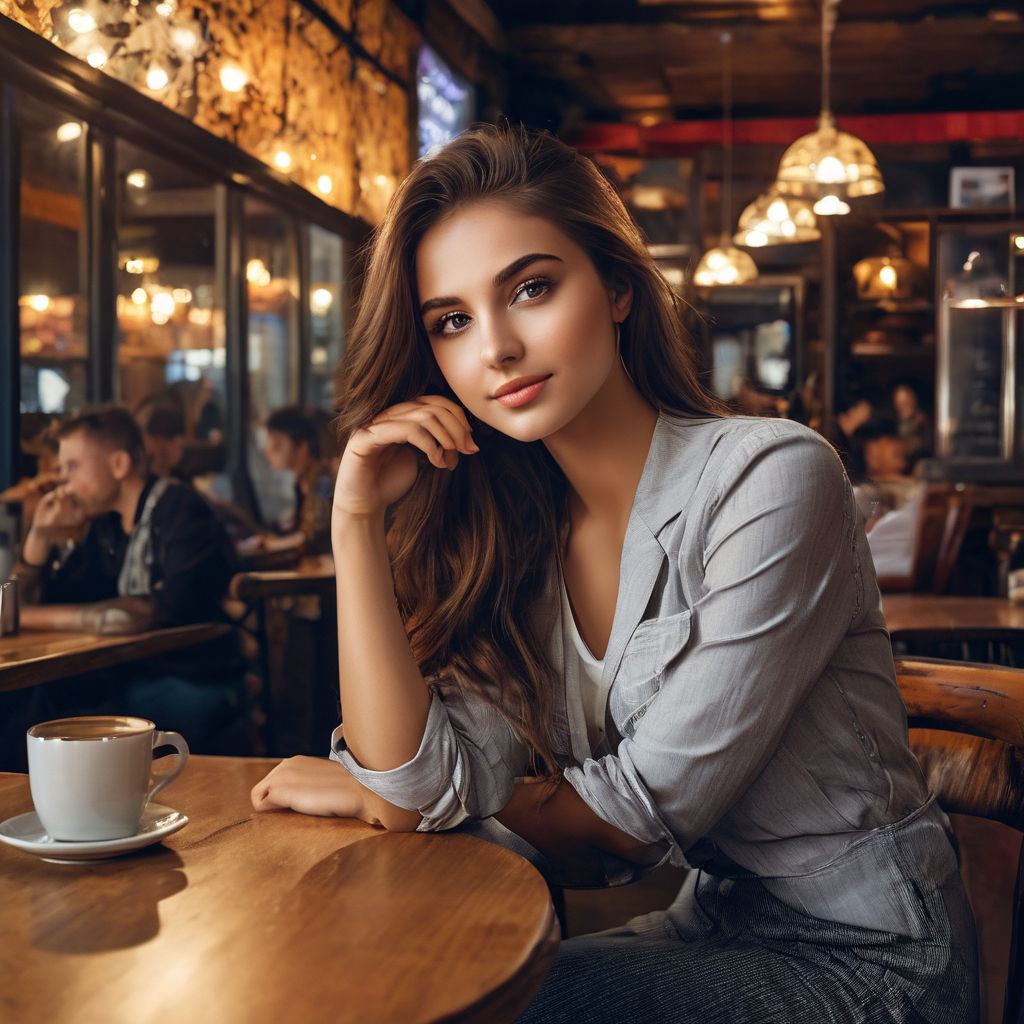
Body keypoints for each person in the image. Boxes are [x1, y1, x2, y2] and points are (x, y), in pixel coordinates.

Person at [249, 125, 977, 1024]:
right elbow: (415, 789)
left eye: (531, 288)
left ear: (621, 287)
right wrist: (355, 522)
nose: (497, 348)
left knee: (452, 1008)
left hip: (870, 955)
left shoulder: (773, 476)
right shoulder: (510, 536)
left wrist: (400, 795)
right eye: (452, 320)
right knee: (394, 981)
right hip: (709, 923)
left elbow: (628, 822)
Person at [7, 405, 246, 759]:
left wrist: (19, 618)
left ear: (119, 464)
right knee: (32, 708)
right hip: (130, 675)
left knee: (50, 716)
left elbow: (159, 611)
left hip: (192, 677)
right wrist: (40, 536)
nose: (63, 481)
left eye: (72, 467)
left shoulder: (180, 510)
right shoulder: (106, 527)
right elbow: (47, 601)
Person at [260, 405, 335, 555]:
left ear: (302, 445)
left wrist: (272, 544)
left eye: (277, 444)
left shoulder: (322, 479)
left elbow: (318, 531)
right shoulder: (302, 480)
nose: (267, 451)